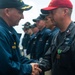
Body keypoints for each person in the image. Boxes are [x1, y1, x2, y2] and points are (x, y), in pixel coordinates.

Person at [0, 0, 41, 75]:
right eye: (20, 12)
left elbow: (17, 58)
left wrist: (35, 64)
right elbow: (5, 67)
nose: (22, 17)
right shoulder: (1, 32)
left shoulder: (10, 30)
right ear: (7, 11)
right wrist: (29, 68)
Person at [38, 0, 75, 75]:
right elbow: (48, 59)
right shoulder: (56, 36)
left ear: (65, 11)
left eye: (52, 12)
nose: (49, 16)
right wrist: (36, 67)